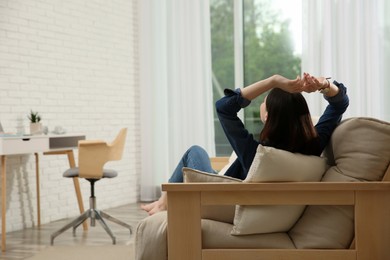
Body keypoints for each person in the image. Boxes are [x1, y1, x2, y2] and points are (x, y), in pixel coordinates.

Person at [141, 73, 349, 215]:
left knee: (194, 152)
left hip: (222, 196)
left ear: (268, 116)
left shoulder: (257, 154)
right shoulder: (313, 146)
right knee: (204, 160)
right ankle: (162, 202)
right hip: (236, 185)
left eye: (265, 100)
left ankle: (162, 202)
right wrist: (323, 85)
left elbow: (224, 107)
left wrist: (273, 81)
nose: (261, 102)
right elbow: (340, 104)